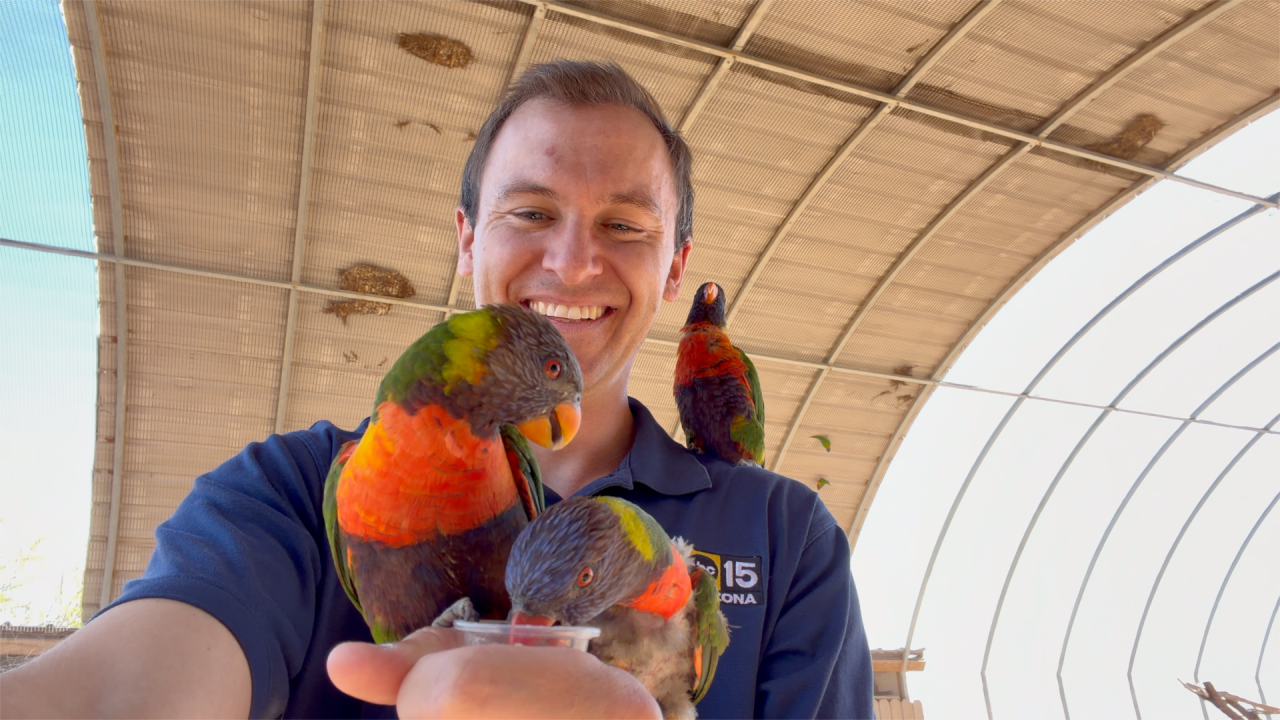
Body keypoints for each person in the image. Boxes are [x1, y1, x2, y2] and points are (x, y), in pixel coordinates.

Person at [0, 61, 873, 719]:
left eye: (627, 225)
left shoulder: (786, 537)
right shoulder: (300, 491)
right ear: (464, 239)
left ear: (677, 264)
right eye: (529, 213)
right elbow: (119, 687)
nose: (572, 261)